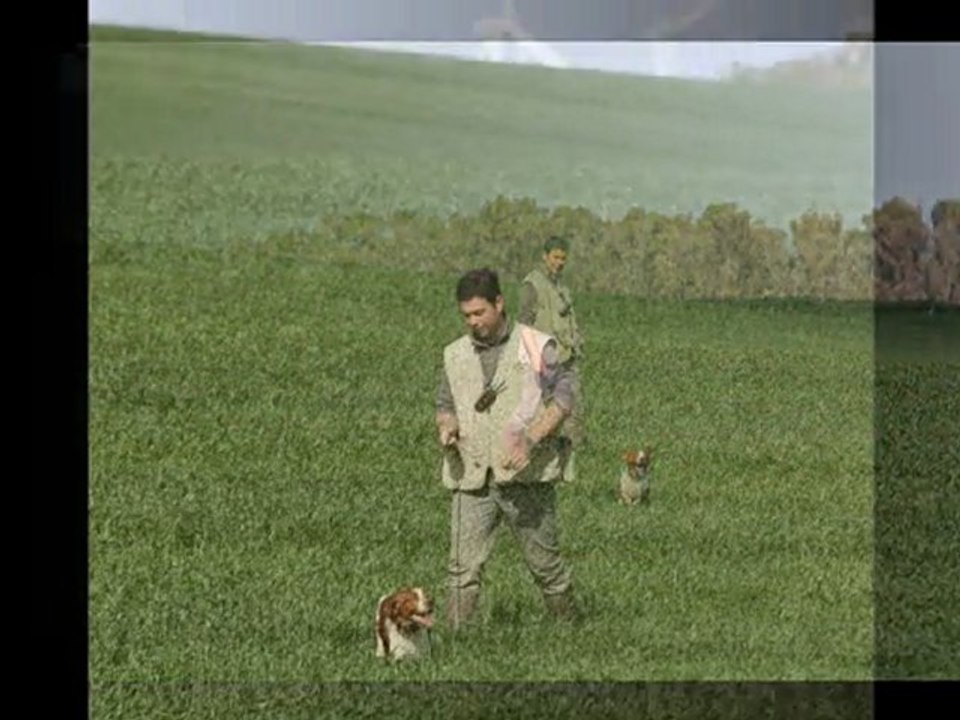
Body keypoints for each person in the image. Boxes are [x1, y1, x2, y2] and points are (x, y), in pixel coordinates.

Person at [435, 268, 578, 630]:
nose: (472, 322)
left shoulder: (534, 344)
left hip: (526, 477)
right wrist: (446, 427)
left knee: (546, 566)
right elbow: (445, 404)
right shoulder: (454, 353)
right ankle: (454, 640)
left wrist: (530, 440)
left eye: (479, 313)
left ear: (499, 304)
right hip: (472, 475)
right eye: (465, 315)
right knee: (460, 569)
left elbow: (563, 399)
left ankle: (571, 631)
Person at [518, 235, 585, 452]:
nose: (559, 262)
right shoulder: (532, 284)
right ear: (545, 256)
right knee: (543, 414)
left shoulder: (562, 289)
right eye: (555, 257)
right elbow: (524, 326)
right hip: (543, 362)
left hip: (566, 359)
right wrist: (534, 362)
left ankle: (571, 459)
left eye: (563, 258)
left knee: (572, 413)